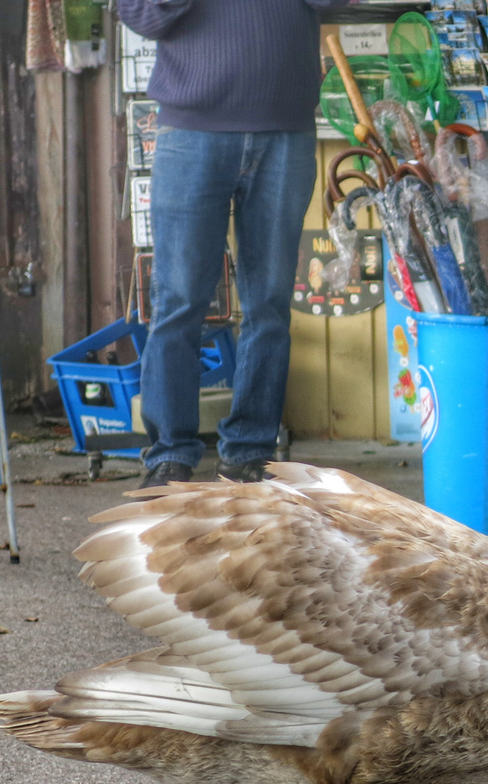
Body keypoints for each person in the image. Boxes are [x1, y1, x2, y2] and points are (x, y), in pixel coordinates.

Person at [117, 0, 352, 487]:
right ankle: (170, 456)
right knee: (179, 300)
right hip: (191, 130)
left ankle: (249, 452)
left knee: (269, 303)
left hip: (285, 131)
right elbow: (141, 15)